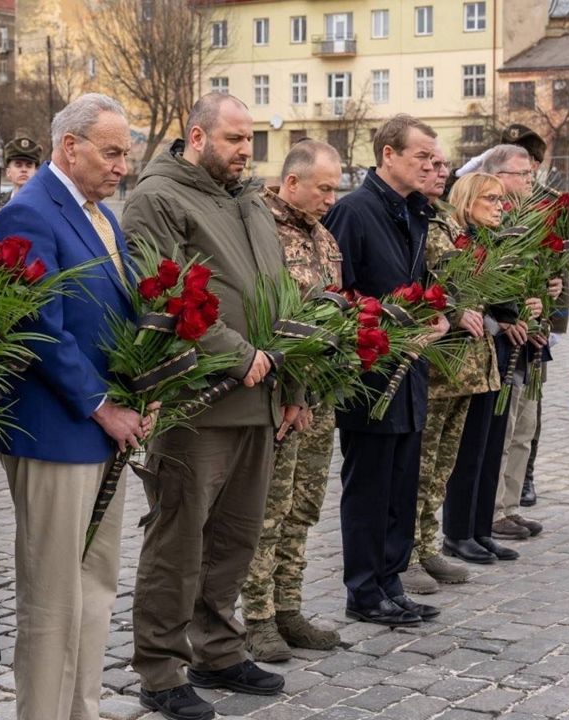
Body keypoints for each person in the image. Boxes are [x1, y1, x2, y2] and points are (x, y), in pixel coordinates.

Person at [123, 93, 304, 720]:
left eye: (249, 139)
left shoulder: (249, 198)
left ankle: (220, 649)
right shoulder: (158, 198)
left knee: (236, 536)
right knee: (179, 537)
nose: (245, 150)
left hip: (261, 393)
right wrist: (234, 352)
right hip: (197, 397)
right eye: (233, 139)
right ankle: (159, 667)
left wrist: (294, 385)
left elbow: (280, 294)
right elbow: (165, 289)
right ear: (196, 137)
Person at [0, 93, 148, 720]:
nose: (120, 167)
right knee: (53, 594)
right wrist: (103, 404)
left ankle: (83, 708)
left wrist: (143, 387)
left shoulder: (102, 215)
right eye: (110, 153)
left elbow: (120, 311)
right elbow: (37, 326)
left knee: (96, 585)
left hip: (105, 428)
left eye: (125, 156)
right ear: (69, 145)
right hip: (57, 428)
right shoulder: (28, 214)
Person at [322, 114, 450, 629]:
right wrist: (383, 331)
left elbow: (416, 283)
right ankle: (363, 588)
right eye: (421, 155)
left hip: (411, 372)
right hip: (369, 375)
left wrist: (434, 314)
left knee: (401, 484)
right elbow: (335, 296)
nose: (430, 165)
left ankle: (391, 581)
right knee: (369, 488)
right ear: (388, 155)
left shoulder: (414, 212)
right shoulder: (354, 211)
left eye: (433, 157)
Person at [241, 139, 343, 661]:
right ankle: (256, 616)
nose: (332, 197)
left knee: (303, 506)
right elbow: (265, 316)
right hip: (279, 396)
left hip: (320, 395)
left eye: (335, 187)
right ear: (293, 182)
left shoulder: (325, 237)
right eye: (324, 187)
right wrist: (292, 391)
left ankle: (289, 606)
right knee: (269, 508)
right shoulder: (262, 227)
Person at [438, 173, 545, 567]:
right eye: (491, 199)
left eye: (502, 199)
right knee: (467, 451)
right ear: (468, 202)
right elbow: (460, 299)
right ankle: (458, 532)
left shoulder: (495, 242)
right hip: (467, 362)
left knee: (488, 446)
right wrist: (502, 318)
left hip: (497, 361)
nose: (500, 206)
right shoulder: (459, 244)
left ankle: (481, 528)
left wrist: (530, 308)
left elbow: (507, 297)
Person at [400, 147, 478, 596]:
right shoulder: (418, 221)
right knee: (421, 465)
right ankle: (407, 552)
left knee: (440, 466)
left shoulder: (446, 219)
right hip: (432, 358)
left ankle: (428, 544)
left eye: (444, 166)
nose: (438, 172)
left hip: (459, 361)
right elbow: (429, 282)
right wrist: (454, 305)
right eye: (429, 165)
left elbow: (464, 276)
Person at [478, 144, 554, 543]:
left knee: (524, 429)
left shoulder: (530, 220)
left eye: (530, 174)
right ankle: (490, 511)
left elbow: (542, 277)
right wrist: (506, 318)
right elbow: (480, 284)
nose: (530, 180)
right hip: (502, 342)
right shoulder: (487, 220)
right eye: (522, 174)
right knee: (503, 432)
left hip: (531, 341)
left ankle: (509, 506)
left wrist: (547, 300)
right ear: (498, 176)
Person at [0, 135, 42, 245]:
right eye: (18, 165)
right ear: (8, 172)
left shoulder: (47, 205)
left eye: (29, 165)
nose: (23, 170)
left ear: (36, 172)